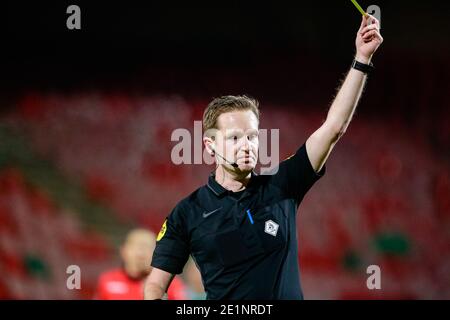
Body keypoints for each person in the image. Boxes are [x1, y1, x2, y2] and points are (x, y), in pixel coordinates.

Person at [144, 14, 383, 300]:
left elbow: (334, 128)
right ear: (210, 146)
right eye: (234, 138)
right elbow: (156, 286)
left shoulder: (282, 185)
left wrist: (362, 58)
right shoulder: (187, 212)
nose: (246, 146)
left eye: (252, 136)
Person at [96, 228, 187, 300]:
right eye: (137, 247)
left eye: (147, 247)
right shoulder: (107, 280)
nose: (141, 254)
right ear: (123, 251)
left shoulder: (170, 284)